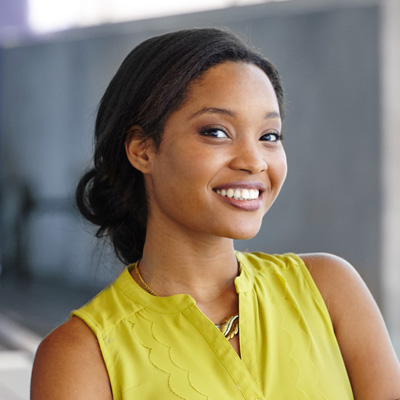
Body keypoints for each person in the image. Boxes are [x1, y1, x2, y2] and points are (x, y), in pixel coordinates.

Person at [31, 28, 400, 400]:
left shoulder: (330, 289)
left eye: (269, 136)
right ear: (142, 150)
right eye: (216, 131)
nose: (254, 161)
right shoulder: (80, 355)